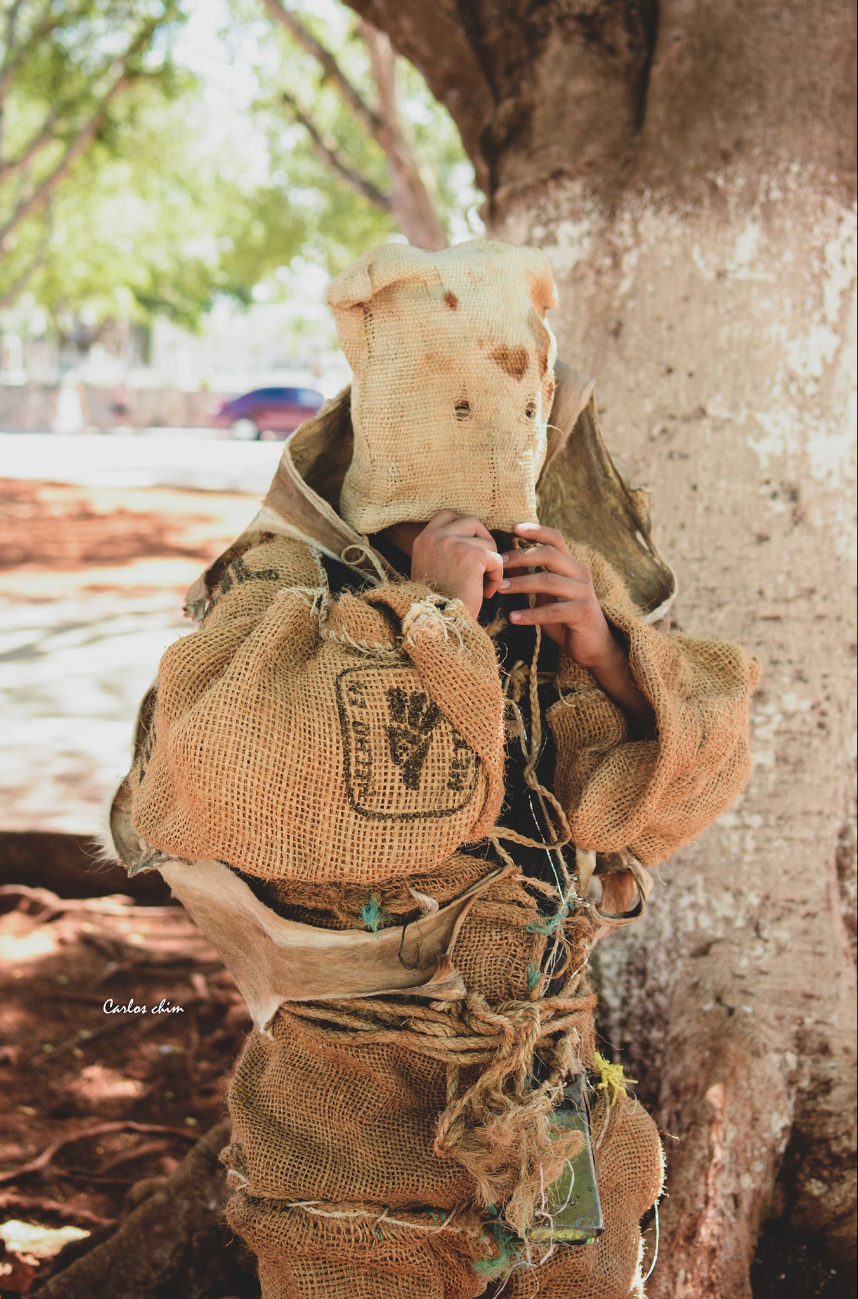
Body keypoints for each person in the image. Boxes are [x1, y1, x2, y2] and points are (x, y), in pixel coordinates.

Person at [110, 240, 759, 1298]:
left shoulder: (561, 584)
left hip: (552, 1092)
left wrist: (609, 656)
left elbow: (675, 795)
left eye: (507, 397)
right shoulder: (284, 581)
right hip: (354, 1112)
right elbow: (216, 778)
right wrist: (422, 616)